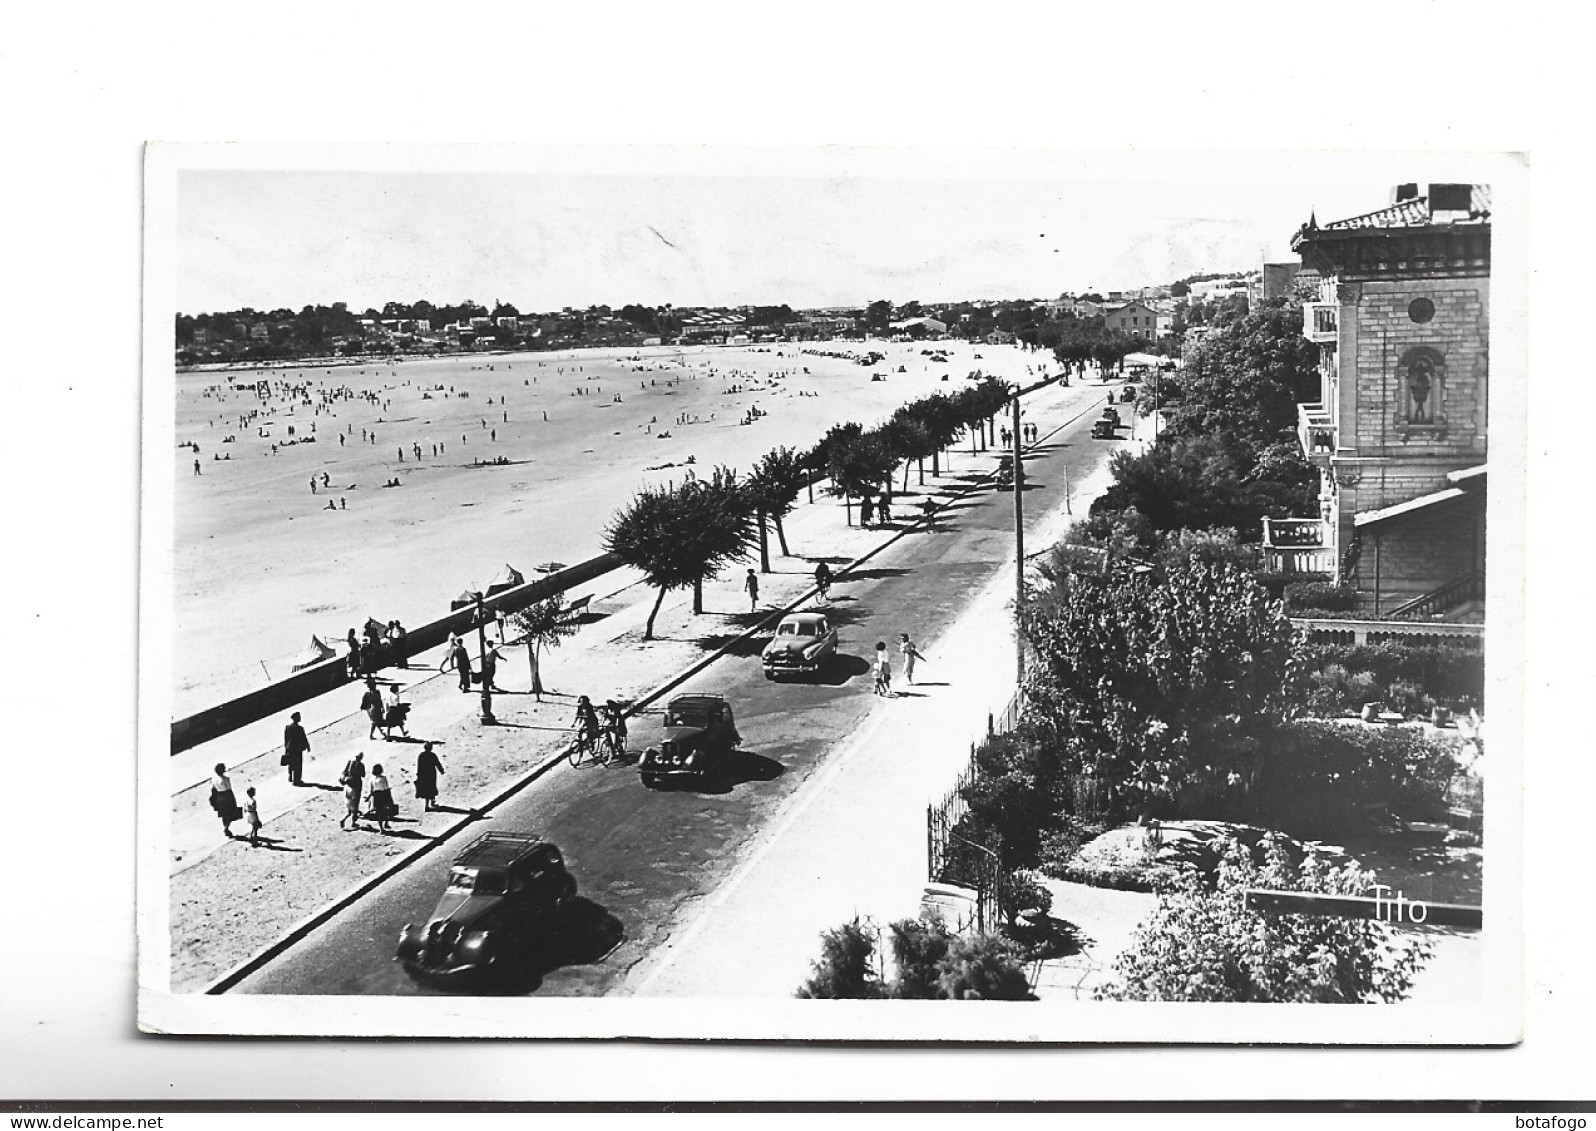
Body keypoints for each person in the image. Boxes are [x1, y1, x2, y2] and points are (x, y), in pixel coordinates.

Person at [209, 763, 241, 838]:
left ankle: (225, 827)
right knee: (231, 813)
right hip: (227, 796)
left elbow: (212, 788)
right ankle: (226, 828)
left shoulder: (214, 779)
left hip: (219, 796)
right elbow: (229, 788)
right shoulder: (226, 779)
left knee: (224, 814)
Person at [338, 753, 366, 831]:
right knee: (355, 806)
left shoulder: (350, 762)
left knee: (348, 806)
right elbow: (363, 775)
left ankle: (344, 819)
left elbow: (344, 772)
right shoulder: (361, 765)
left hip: (347, 787)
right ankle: (353, 823)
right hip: (356, 786)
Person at [282, 710, 309, 786]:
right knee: (298, 764)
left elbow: (286, 738)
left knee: (291, 762)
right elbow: (304, 738)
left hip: (290, 748)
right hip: (298, 749)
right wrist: (307, 746)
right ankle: (297, 780)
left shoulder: (288, 727)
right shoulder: (300, 728)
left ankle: (290, 777)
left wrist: (286, 747)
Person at [415, 742, 444, 812]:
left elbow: (419, 766)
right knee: (431, 789)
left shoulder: (421, 755)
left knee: (427, 789)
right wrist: (441, 770)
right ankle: (427, 805)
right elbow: (437, 763)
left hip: (424, 775)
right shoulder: (432, 755)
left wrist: (419, 775)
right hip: (431, 775)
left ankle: (431, 802)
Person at [367, 764, 396, 834]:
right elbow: (386, 787)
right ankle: (386, 823)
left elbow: (371, 790)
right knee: (387, 810)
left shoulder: (371, 779)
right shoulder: (383, 778)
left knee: (379, 812)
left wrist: (369, 797)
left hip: (376, 796)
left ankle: (381, 828)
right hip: (384, 794)